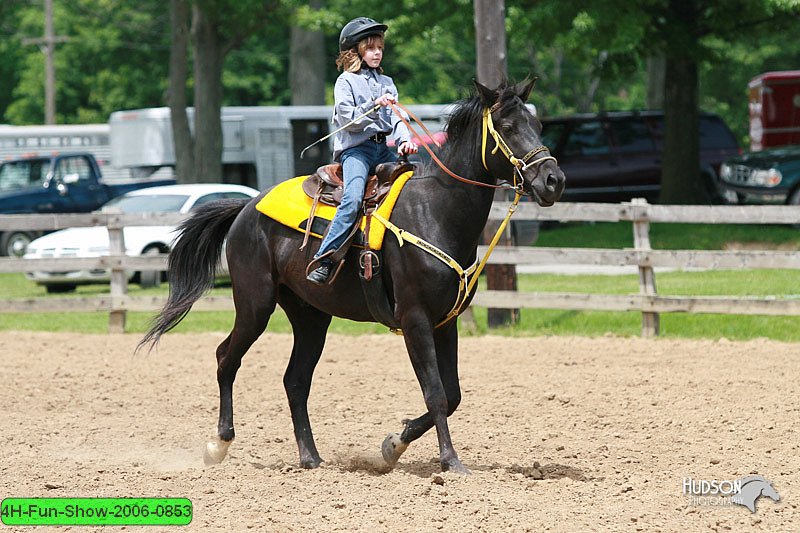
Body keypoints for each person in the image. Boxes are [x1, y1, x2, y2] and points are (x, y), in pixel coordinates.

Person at [306, 17, 418, 285]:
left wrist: (405, 140)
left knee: (414, 189)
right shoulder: (345, 81)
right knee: (354, 198)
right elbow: (348, 120)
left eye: (379, 47)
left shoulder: (388, 82)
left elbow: (398, 116)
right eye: (370, 48)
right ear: (355, 51)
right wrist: (375, 104)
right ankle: (325, 258)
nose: (376, 53)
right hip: (357, 151)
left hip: (384, 149)